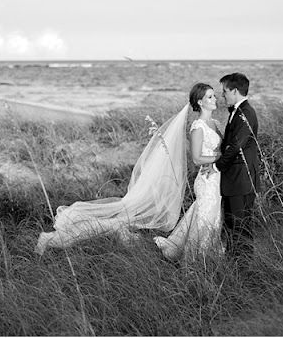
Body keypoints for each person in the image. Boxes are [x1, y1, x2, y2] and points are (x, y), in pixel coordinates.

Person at [34, 98, 192, 255]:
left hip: (143, 206)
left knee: (116, 224)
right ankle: (50, 239)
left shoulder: (173, 157)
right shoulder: (173, 159)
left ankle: (52, 238)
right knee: (111, 224)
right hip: (143, 205)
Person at [153, 83, 225, 261]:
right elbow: (197, 158)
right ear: (200, 102)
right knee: (205, 218)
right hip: (207, 179)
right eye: (210, 96)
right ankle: (195, 259)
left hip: (219, 178)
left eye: (214, 95)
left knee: (215, 217)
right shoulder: (198, 127)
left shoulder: (215, 123)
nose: (215, 99)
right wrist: (219, 159)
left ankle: (209, 256)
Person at [212, 73, 260, 261]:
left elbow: (237, 145)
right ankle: (235, 262)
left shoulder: (246, 113)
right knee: (233, 224)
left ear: (234, 91)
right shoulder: (237, 111)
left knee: (241, 225)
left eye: (225, 91)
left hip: (242, 178)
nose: (222, 95)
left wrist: (217, 166)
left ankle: (244, 267)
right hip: (236, 179)